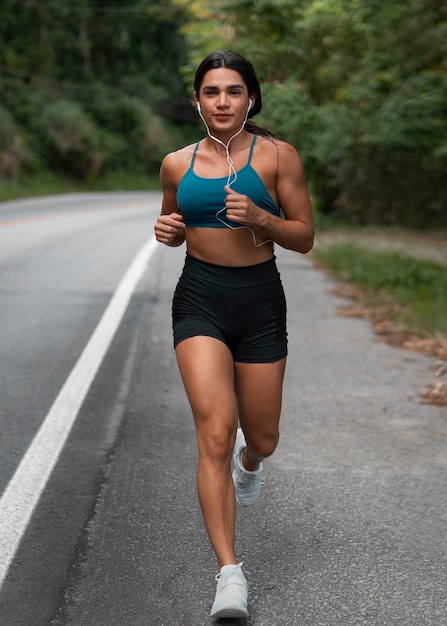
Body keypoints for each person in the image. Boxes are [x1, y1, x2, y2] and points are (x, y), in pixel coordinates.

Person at [154, 50, 314, 620]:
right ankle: (229, 575)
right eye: (211, 92)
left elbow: (303, 237)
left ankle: (253, 464)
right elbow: (173, 227)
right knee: (215, 432)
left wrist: (263, 219)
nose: (222, 102)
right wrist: (167, 230)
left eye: (234, 92)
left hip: (260, 302)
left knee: (261, 437)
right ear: (198, 101)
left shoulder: (278, 157)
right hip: (199, 299)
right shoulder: (176, 163)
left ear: (251, 99)